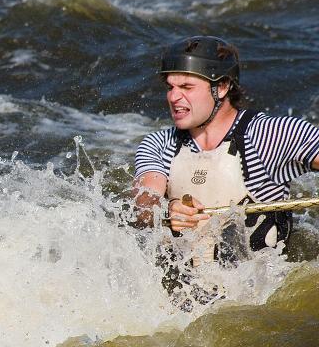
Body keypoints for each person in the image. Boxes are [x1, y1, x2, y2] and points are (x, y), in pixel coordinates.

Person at [133, 35, 319, 307]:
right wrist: (163, 210)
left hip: (258, 302)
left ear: (221, 87)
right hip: (183, 303)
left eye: (186, 86)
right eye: (170, 87)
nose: (174, 96)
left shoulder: (271, 135)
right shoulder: (158, 144)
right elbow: (143, 201)